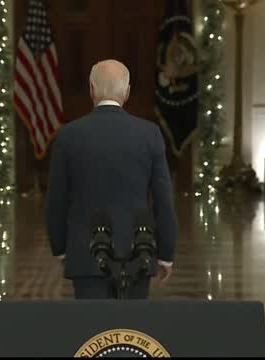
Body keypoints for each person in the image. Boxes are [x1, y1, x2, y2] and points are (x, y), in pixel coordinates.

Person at [45, 60, 178, 300]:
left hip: (85, 254)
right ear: (126, 93)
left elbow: (56, 200)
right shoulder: (150, 134)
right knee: (131, 334)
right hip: (139, 252)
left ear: (91, 89)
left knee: (93, 335)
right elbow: (163, 200)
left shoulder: (68, 135)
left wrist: (62, 251)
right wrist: (165, 253)